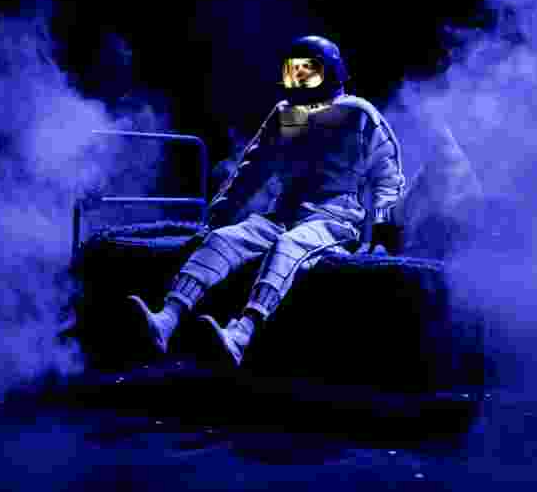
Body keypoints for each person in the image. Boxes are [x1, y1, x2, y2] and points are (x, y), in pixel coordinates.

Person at [127, 35, 405, 368]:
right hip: (284, 212)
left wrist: (382, 234)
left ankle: (241, 335)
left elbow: (386, 176)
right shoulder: (288, 114)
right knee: (224, 239)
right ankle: (167, 319)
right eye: (294, 71)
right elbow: (253, 170)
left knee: (288, 246)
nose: (299, 78)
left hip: (335, 218)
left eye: (307, 71)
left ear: (329, 73)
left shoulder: (359, 114)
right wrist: (218, 217)